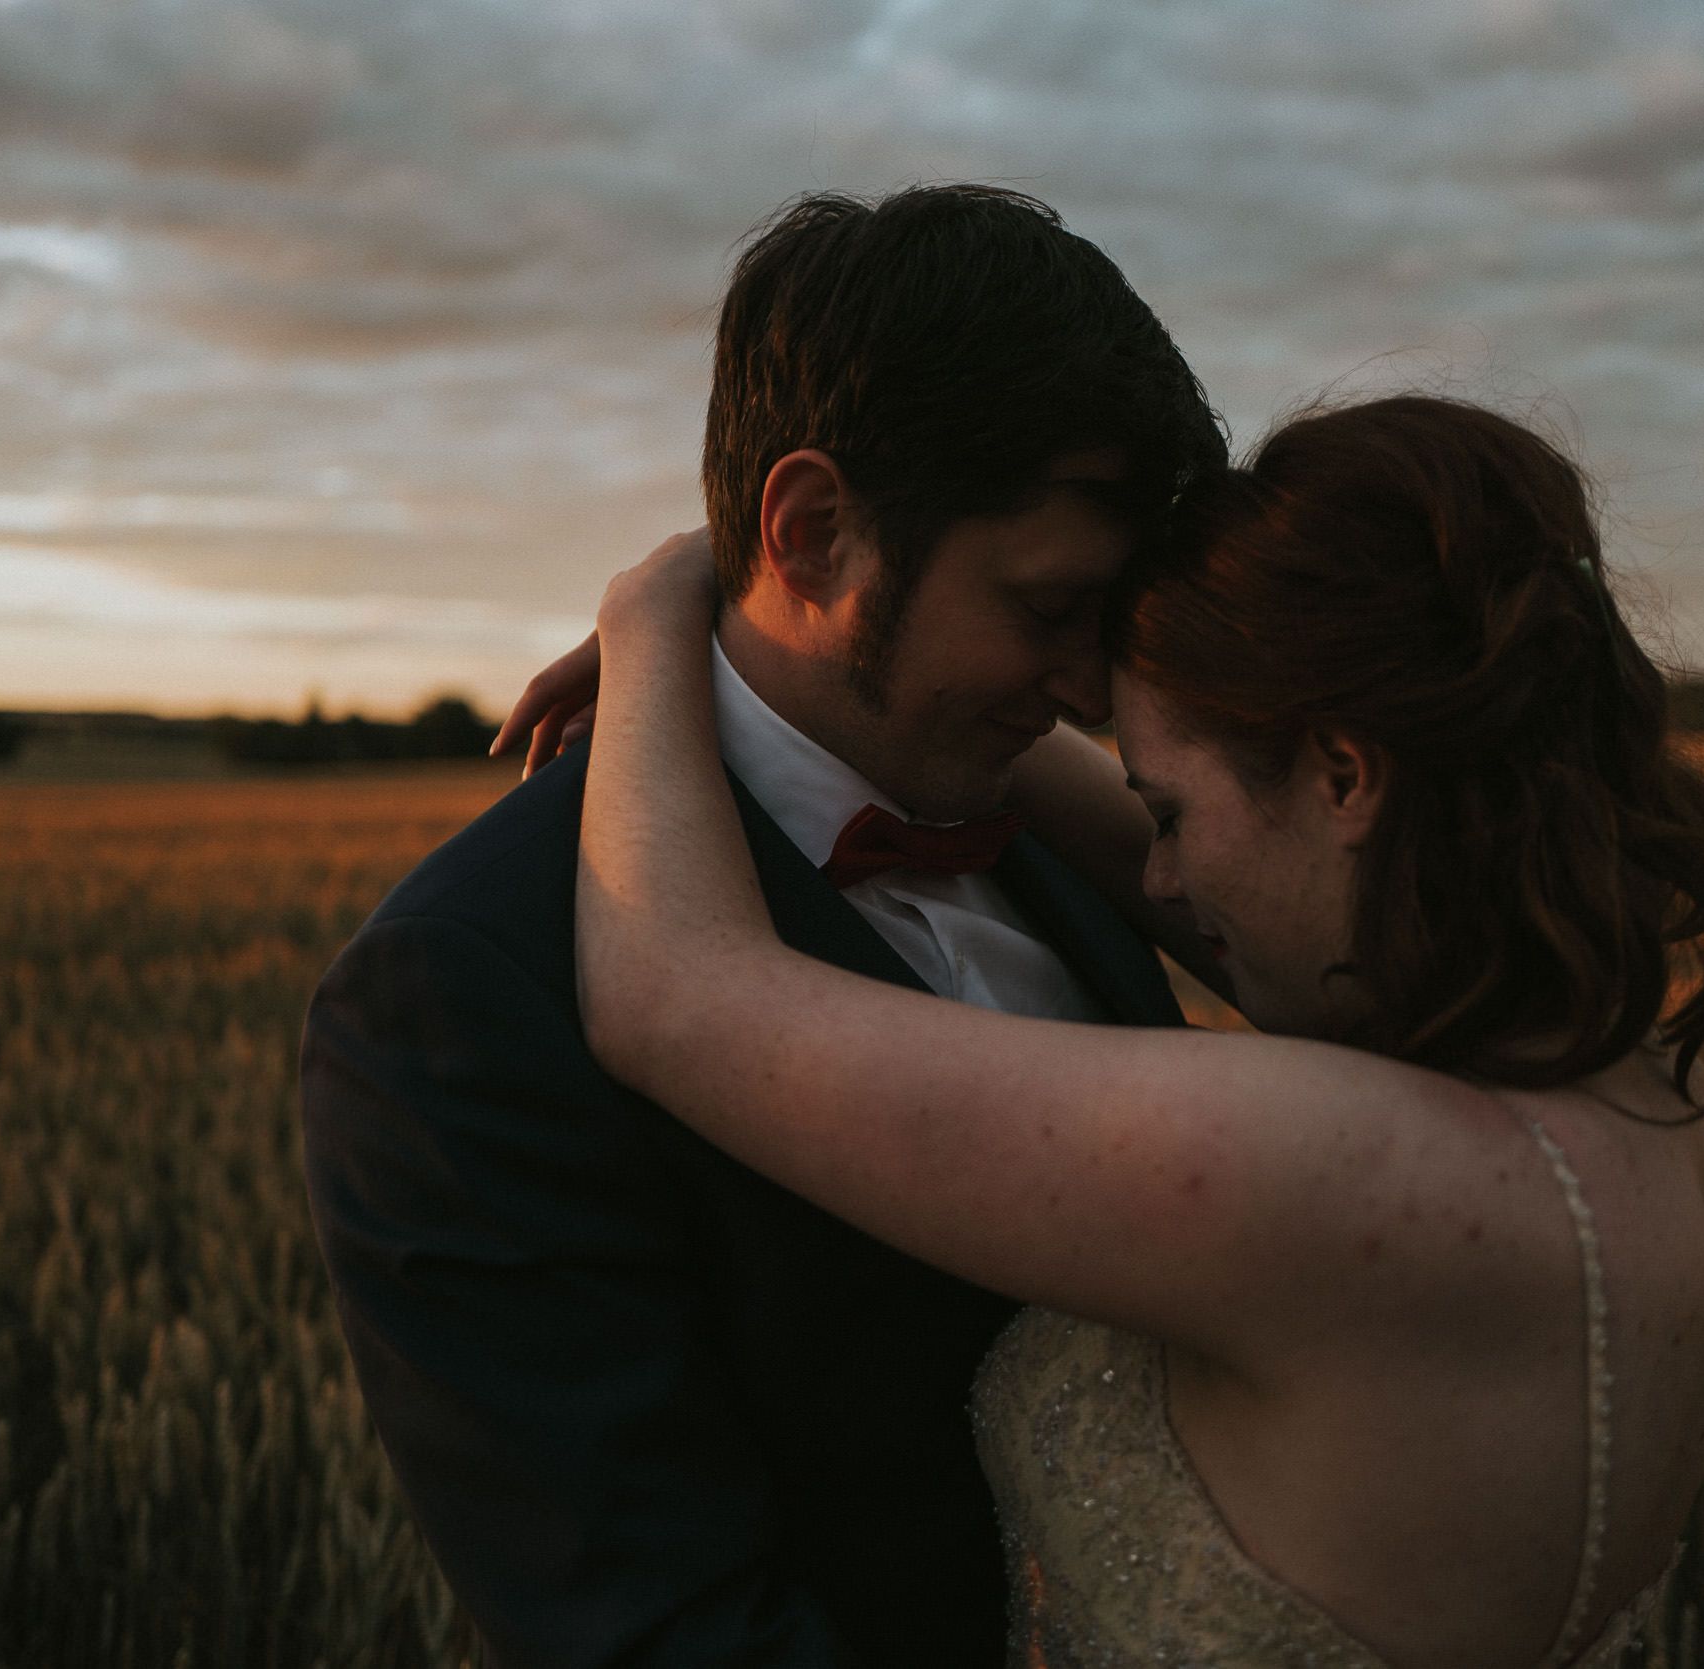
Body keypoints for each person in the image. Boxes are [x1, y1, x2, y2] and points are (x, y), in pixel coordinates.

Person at [521, 393, 1704, 1668]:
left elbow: (673, 997)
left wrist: (668, 601)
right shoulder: (1686, 1144)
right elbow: (1115, 809)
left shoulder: (1336, 1179)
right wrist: (797, 622)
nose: (1160, 878)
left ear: (1346, 774)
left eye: (1171, 813)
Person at [298, 183, 1225, 1668]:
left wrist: (669, 592)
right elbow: (661, 1626)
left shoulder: (1085, 843)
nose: (1094, 692)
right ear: (810, 530)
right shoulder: (465, 988)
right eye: (1051, 608)